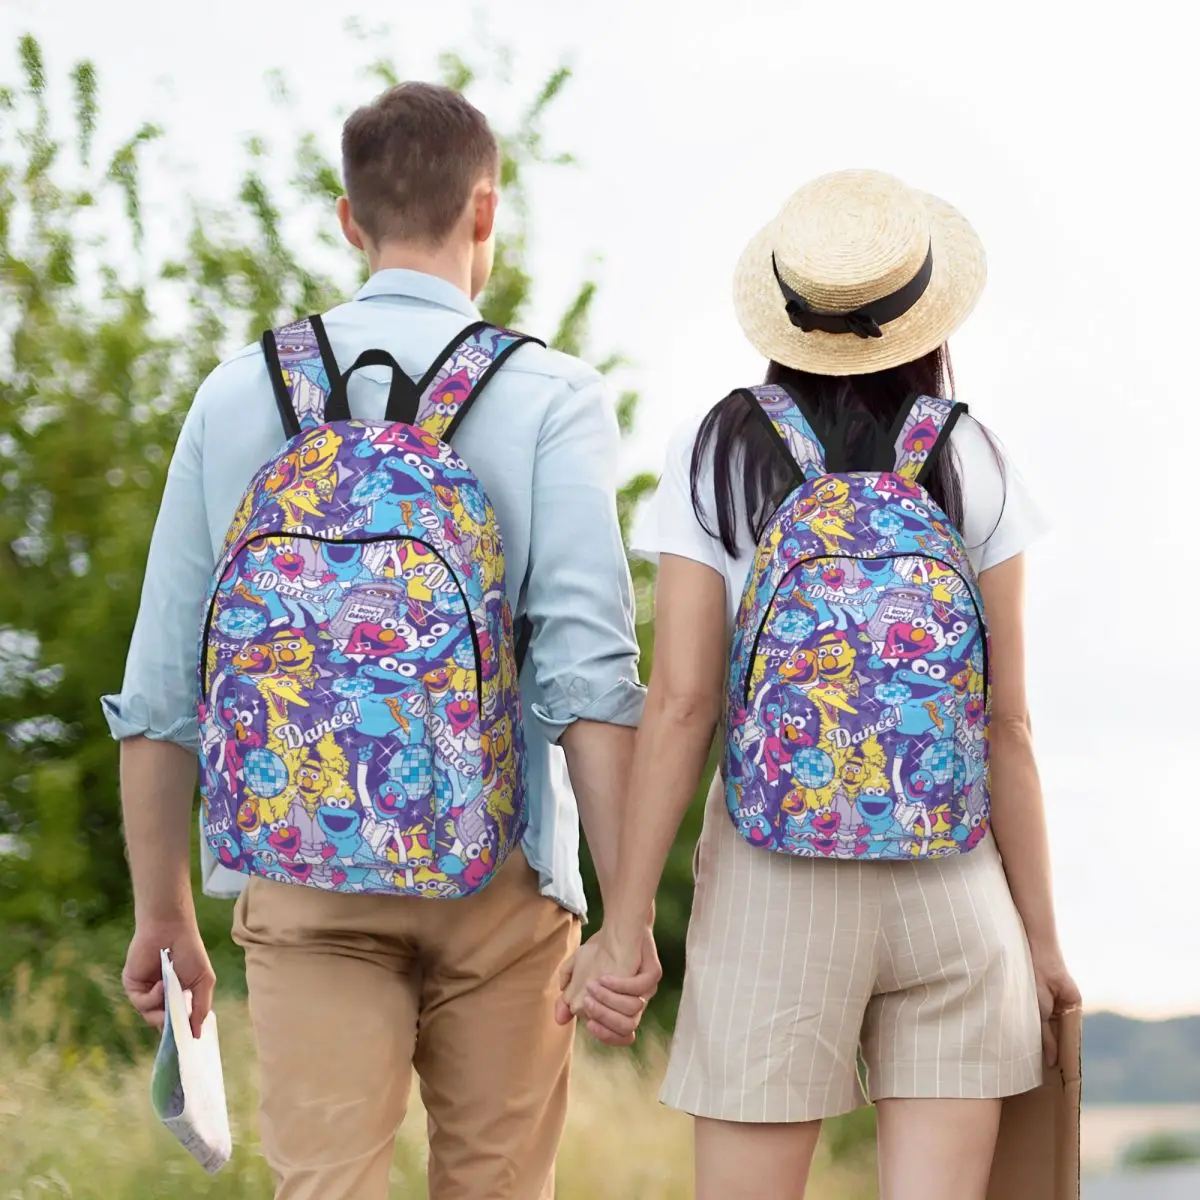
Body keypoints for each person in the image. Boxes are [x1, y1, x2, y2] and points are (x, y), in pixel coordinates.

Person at [105, 81, 661, 1200]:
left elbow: (164, 684)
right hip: (501, 876)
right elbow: (589, 678)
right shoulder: (550, 394)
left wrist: (162, 911)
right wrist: (628, 915)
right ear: (486, 213)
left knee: (325, 1186)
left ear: (349, 219)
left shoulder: (235, 395)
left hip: (301, 870)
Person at [560, 169, 1081, 1200]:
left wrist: (623, 927)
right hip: (953, 883)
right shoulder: (973, 454)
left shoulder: (718, 450)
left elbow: (682, 705)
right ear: (924, 315)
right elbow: (1008, 725)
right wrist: (1043, 944)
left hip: (773, 879)